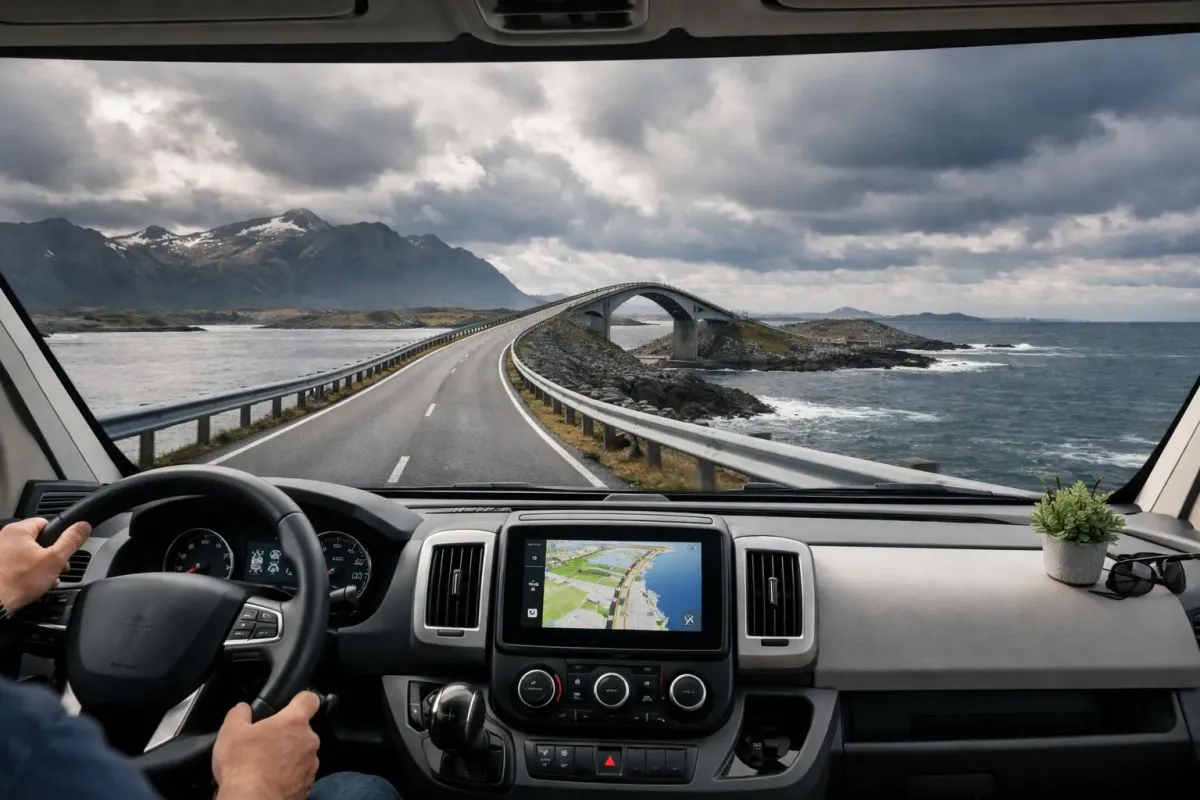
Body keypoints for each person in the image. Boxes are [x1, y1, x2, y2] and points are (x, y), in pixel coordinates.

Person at [0, 516, 400, 800]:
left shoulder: (26, 735)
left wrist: (3, 595)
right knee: (360, 789)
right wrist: (257, 785)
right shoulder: (31, 739)